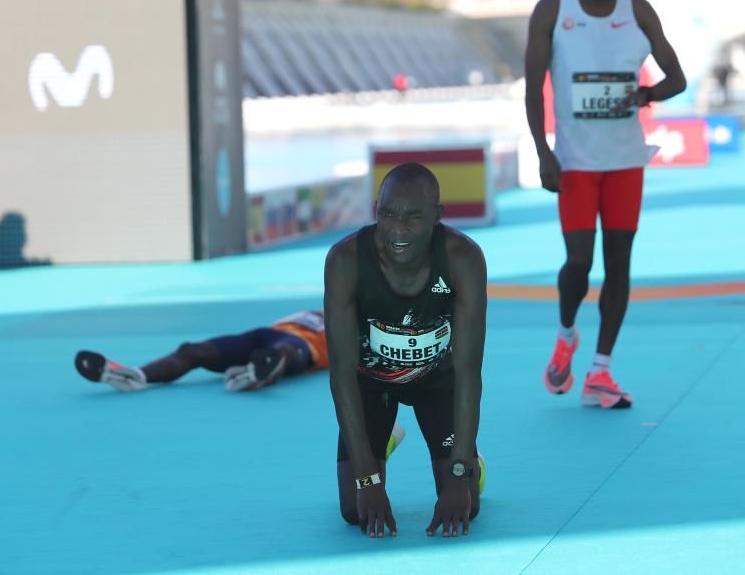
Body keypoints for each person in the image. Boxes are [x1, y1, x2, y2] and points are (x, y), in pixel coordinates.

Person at [524, 0, 687, 409]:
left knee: (619, 264)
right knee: (579, 262)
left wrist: (646, 94)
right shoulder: (554, 9)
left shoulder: (638, 9)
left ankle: (600, 371)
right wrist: (543, 152)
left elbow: (675, 78)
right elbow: (534, 88)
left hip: (624, 162)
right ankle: (566, 331)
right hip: (574, 161)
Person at [324, 162, 488, 539]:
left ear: (437, 216)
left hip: (438, 383)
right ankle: (386, 438)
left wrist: (461, 471)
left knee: (468, 506)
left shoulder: (463, 258)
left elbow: (468, 372)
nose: (398, 228)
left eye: (414, 216)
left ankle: (472, 458)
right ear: (375, 211)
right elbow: (342, 374)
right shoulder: (345, 260)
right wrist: (368, 477)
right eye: (387, 214)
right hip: (371, 385)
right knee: (355, 511)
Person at [74, 310, 330, 392]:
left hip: (304, 347)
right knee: (193, 351)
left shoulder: (352, 324)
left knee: (284, 351)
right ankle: (138, 375)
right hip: (262, 335)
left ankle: (261, 371)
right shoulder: (321, 306)